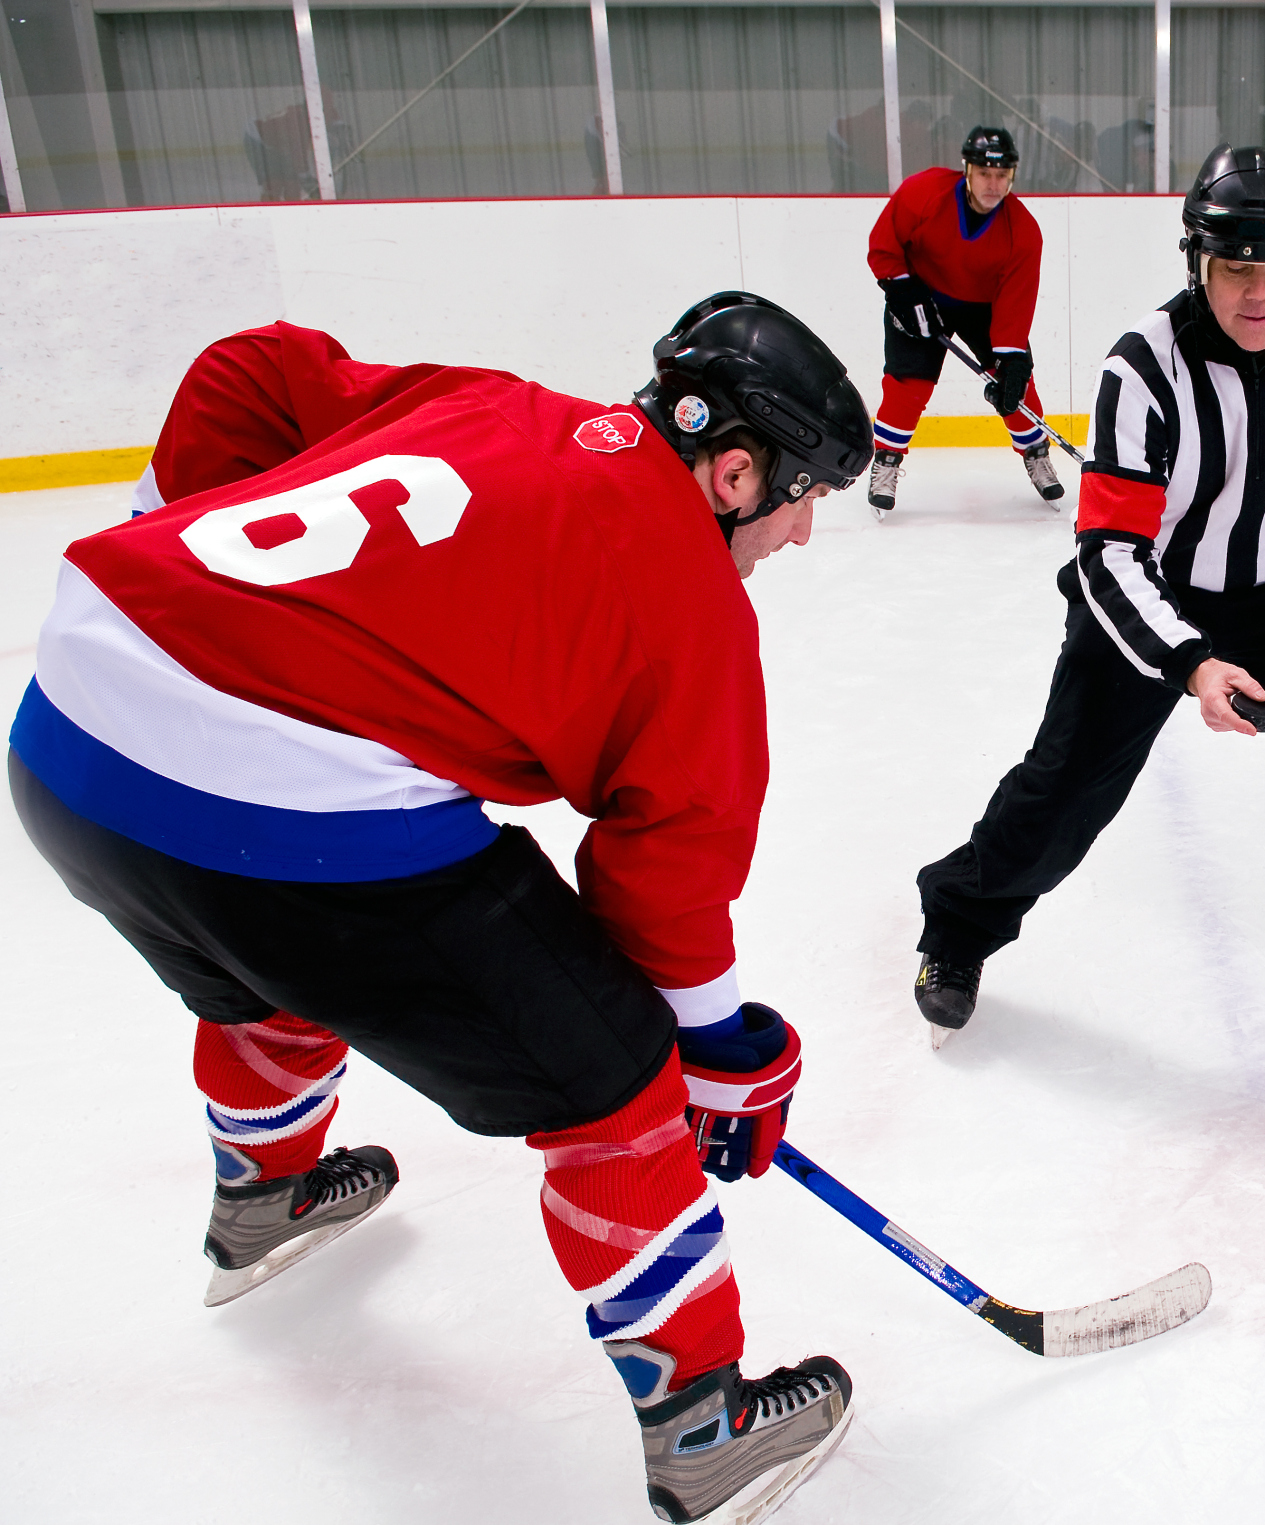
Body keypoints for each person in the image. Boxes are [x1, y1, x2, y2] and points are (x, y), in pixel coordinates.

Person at [7, 292, 873, 1522]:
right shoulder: (692, 604)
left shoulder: (496, 405)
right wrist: (712, 1048)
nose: (799, 536)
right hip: (264, 809)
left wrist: (172, 530)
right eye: (803, 502)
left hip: (68, 729)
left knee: (275, 956)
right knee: (612, 1073)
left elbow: (251, 372)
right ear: (736, 473)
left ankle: (264, 1195)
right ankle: (703, 1423)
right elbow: (665, 875)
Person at [909, 145, 1265, 1040]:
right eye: (1236, 269)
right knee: (1059, 794)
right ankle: (958, 932)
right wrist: (1191, 661)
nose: (1260, 294)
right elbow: (1109, 555)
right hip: (1154, 600)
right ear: (1197, 265)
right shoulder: (1142, 365)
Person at [866, 124, 1061, 515]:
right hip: (921, 297)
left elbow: (1014, 304)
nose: (993, 184)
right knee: (908, 383)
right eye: (985, 173)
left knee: (1016, 387)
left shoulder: (1023, 232)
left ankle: (1036, 454)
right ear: (967, 170)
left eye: (1002, 175)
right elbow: (884, 247)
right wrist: (903, 292)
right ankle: (886, 461)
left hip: (983, 308)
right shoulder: (923, 193)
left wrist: (1013, 358)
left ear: (1012, 176)